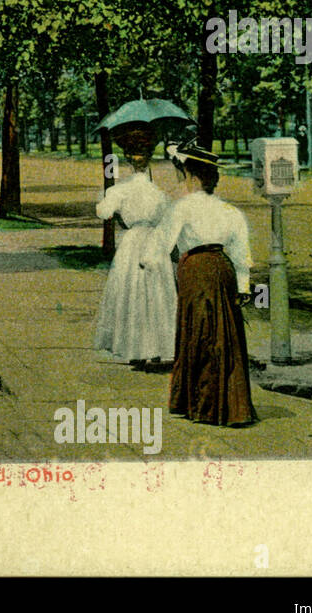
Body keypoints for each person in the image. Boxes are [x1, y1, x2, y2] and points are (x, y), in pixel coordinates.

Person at [141, 142, 257, 427]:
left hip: (196, 272)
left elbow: (161, 244)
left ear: (192, 177)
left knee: (198, 333)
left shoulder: (182, 208)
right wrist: (243, 288)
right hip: (223, 269)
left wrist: (148, 262)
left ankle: (201, 404)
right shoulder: (231, 211)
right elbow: (242, 256)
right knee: (225, 335)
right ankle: (232, 404)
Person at [93, 125, 176, 367]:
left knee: (131, 291)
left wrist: (117, 209)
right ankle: (157, 347)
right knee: (155, 293)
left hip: (132, 242)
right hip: (153, 241)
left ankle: (133, 347)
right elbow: (166, 220)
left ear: (129, 160)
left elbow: (103, 212)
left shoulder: (120, 190)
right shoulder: (159, 193)